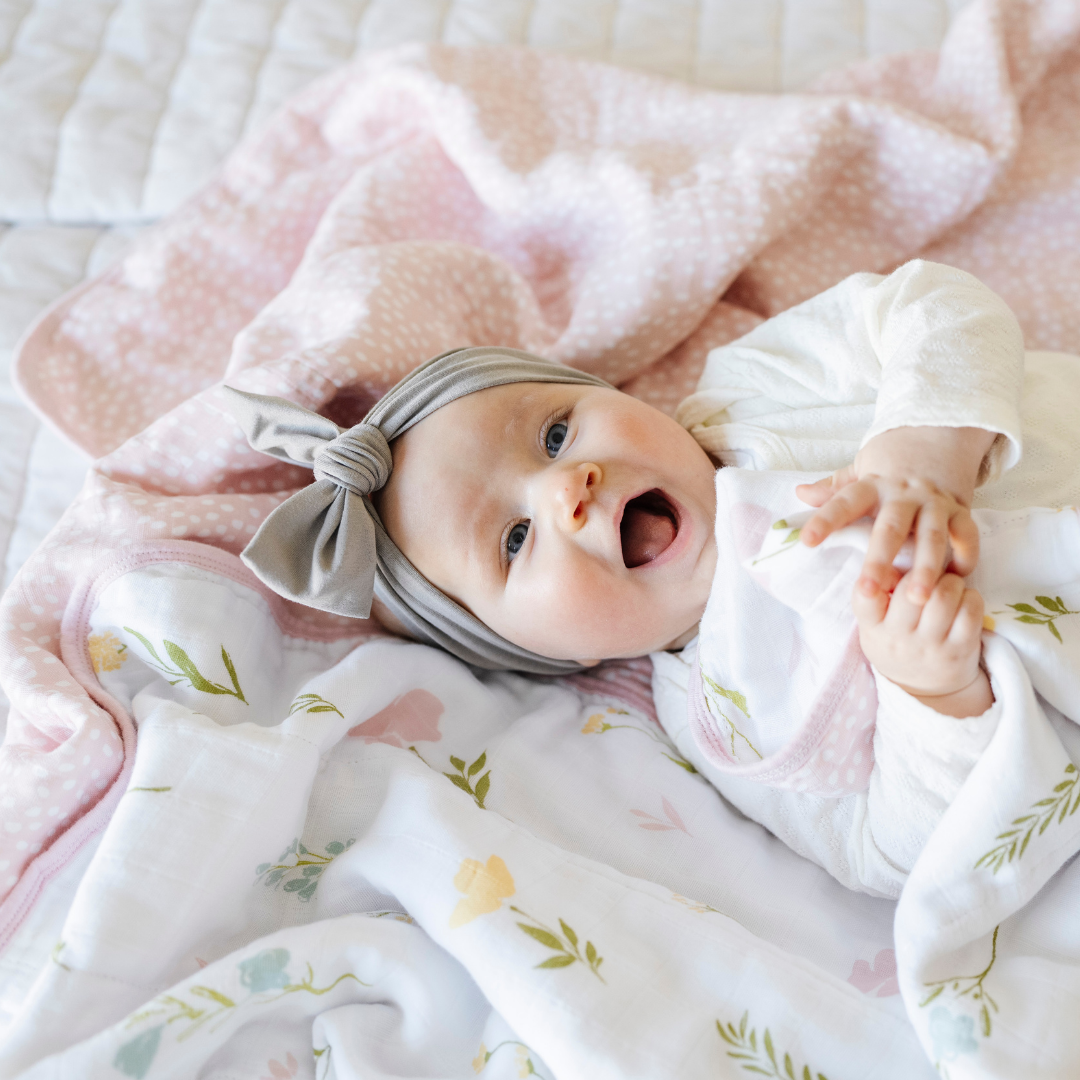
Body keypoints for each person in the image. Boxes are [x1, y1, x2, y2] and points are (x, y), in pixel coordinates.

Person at [223, 259, 1080, 897]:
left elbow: (929, 301)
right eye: (515, 540)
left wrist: (923, 446)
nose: (567, 487)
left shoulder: (751, 392)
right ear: (535, 653)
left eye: (555, 434)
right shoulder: (724, 712)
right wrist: (930, 694)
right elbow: (889, 853)